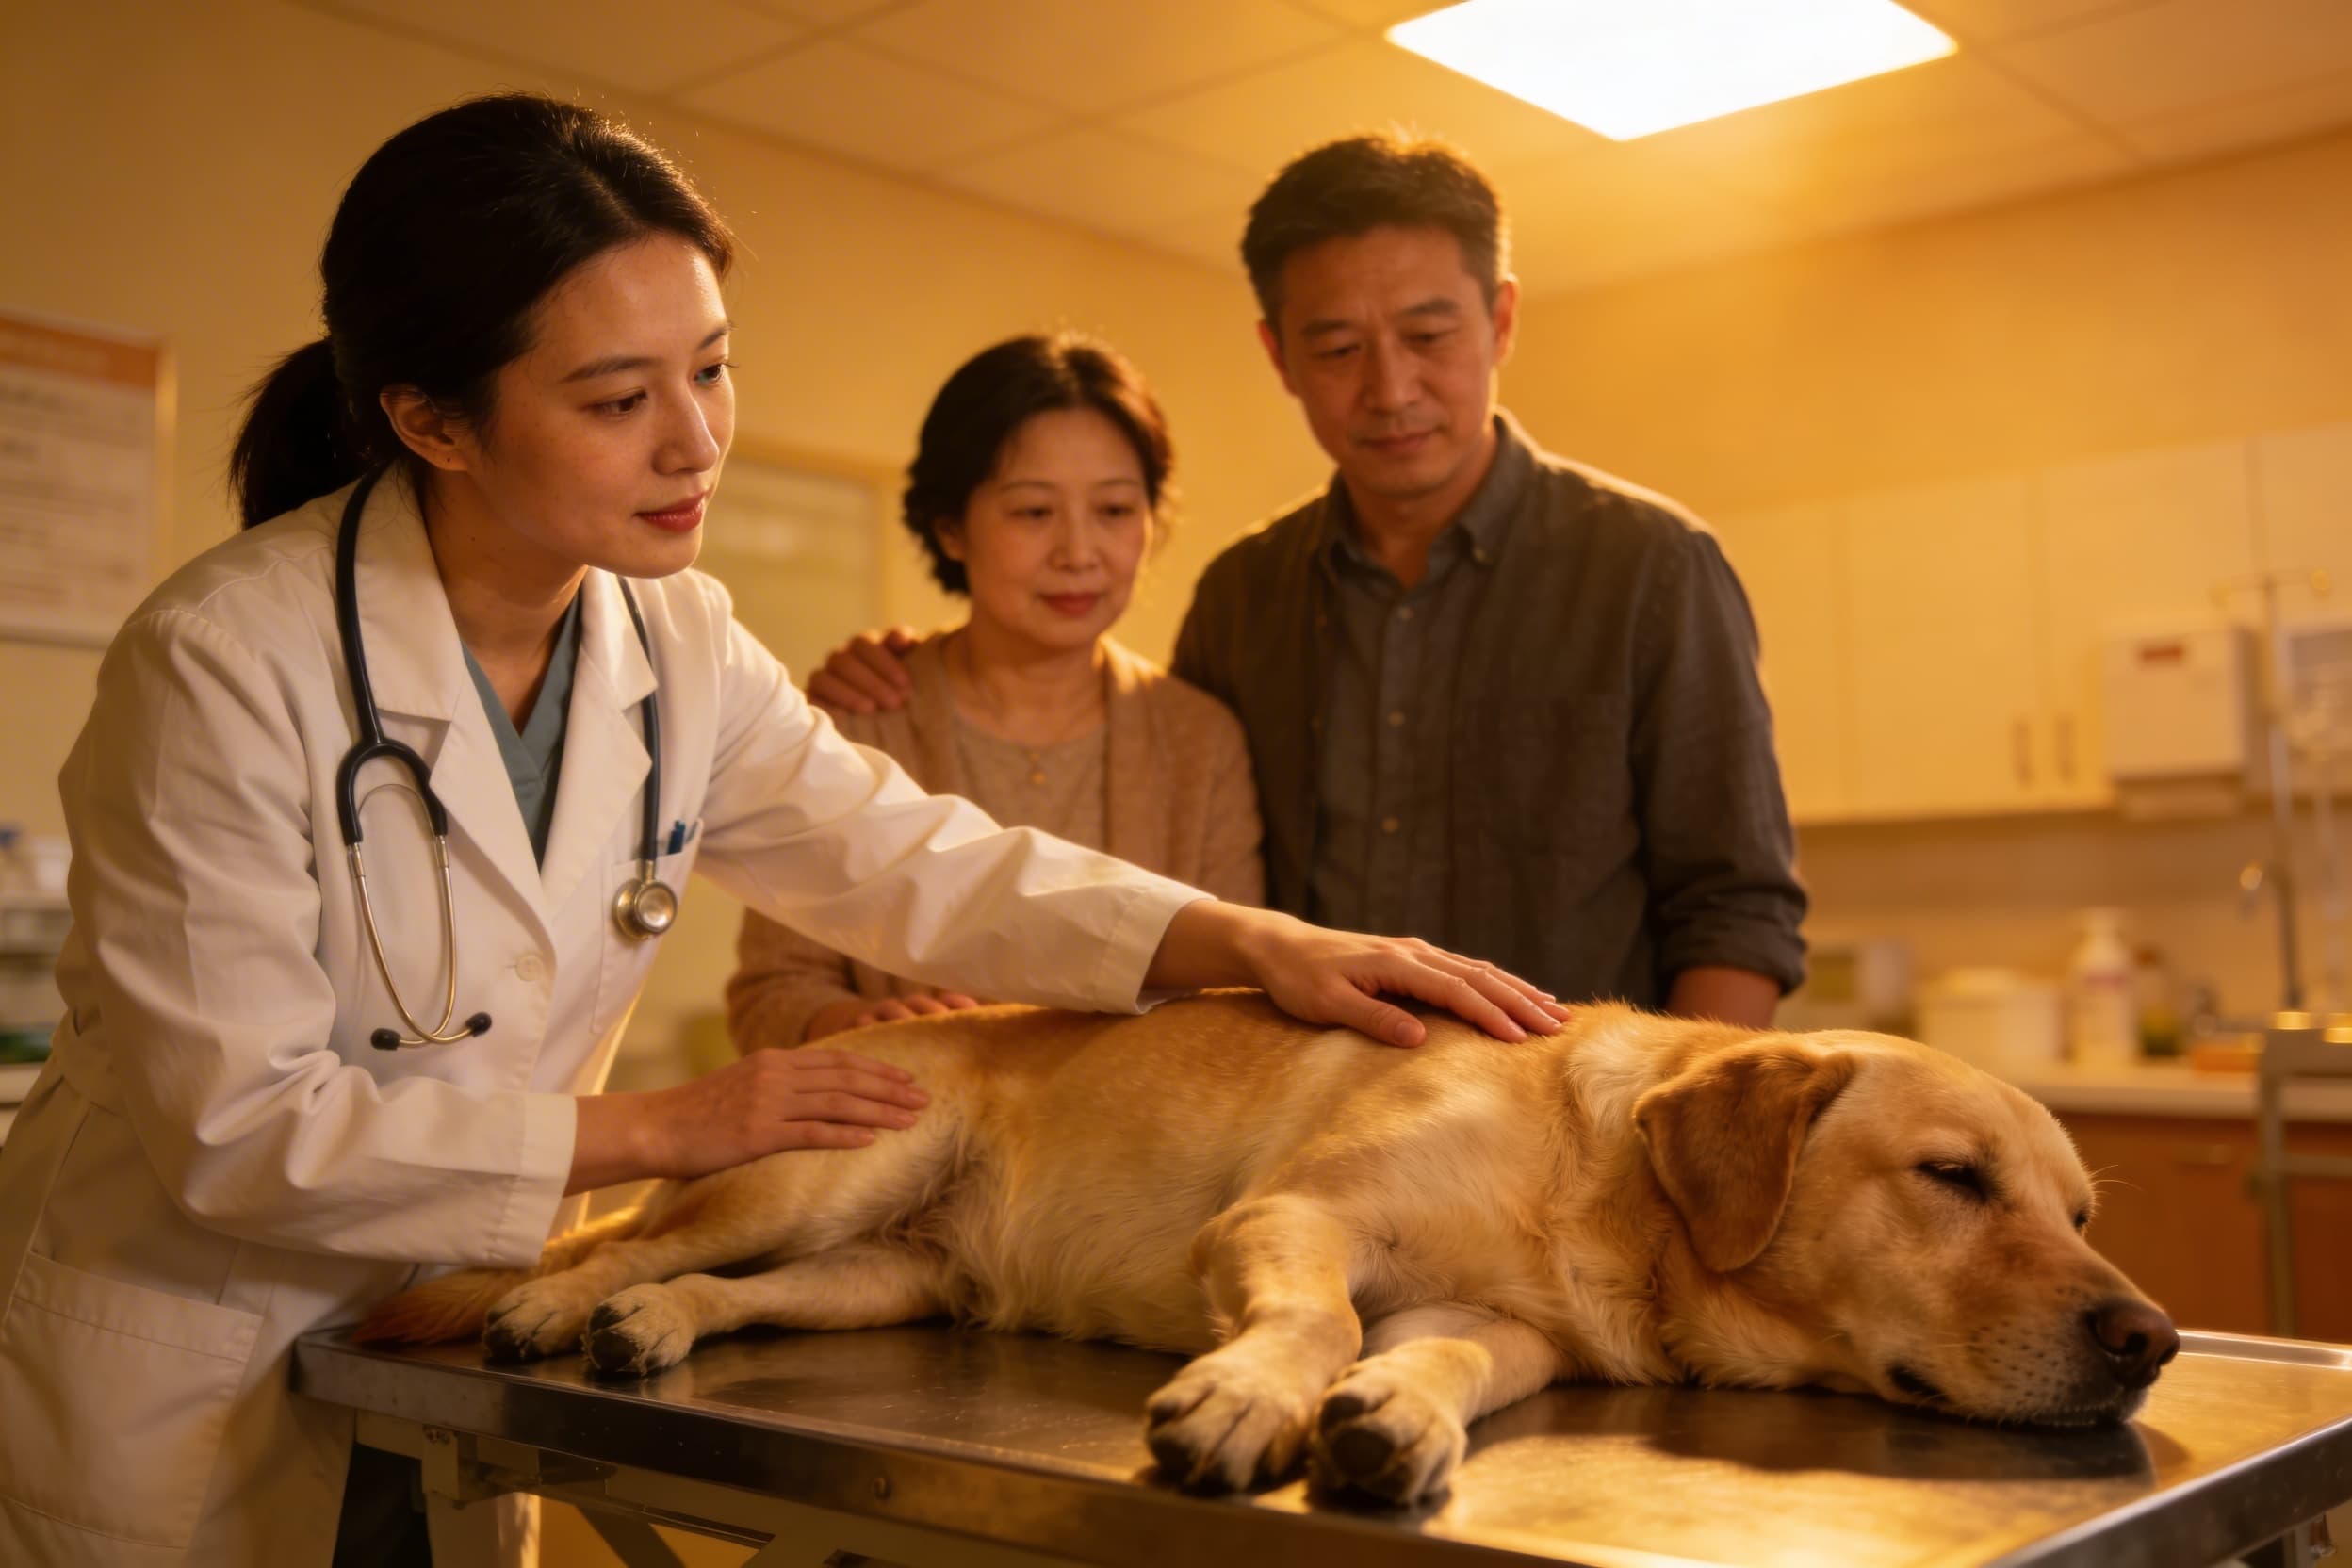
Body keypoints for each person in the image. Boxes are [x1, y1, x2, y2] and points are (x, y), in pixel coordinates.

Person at [0, 99, 1561, 1568]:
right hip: (188, 1365)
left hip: (448, 1325)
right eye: (620, 398)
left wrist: (1254, 939)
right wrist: (680, 1128)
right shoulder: (223, 659)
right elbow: (237, 1130)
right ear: (434, 418)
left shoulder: (671, 639)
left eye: (713, 367)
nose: (695, 440)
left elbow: (910, 856)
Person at [811, 133, 1806, 1026]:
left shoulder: (1650, 569)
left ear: (1500, 321)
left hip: (1565, 1136)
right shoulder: (1247, 594)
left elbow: (1737, 911)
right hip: (1300, 1144)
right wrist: (910, 664)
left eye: (1429, 335)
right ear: (1279, 355)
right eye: (1337, 348)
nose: (1390, 388)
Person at [727, 334, 1263, 1049]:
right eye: (1033, 512)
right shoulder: (862, 717)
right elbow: (771, 990)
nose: (1079, 552)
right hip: (908, 1138)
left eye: (1113, 510)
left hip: (1136, 1146)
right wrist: (855, 1026)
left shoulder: (1199, 738)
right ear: (951, 527)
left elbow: (1237, 999)